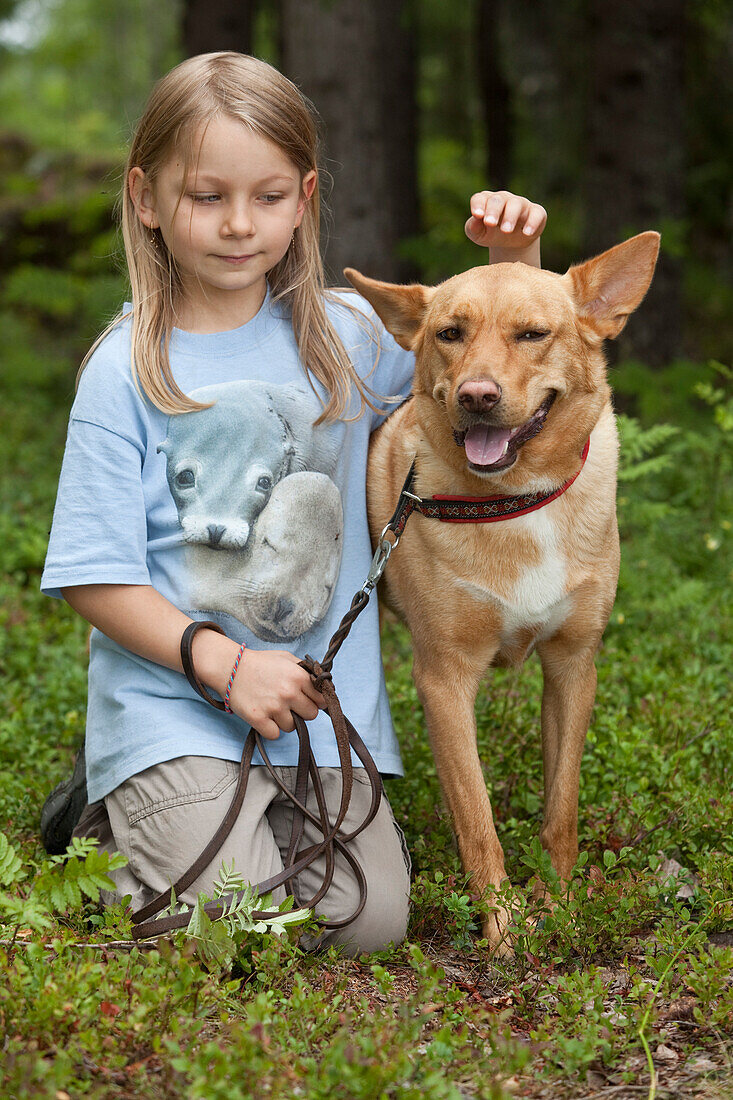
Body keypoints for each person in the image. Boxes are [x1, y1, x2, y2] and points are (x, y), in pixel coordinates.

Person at [40, 52, 547, 954]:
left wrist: (515, 262)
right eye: (206, 197)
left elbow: (487, 378)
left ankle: (206, 834)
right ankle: (106, 820)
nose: (239, 225)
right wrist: (226, 667)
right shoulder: (124, 370)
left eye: (268, 197)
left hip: (315, 713)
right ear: (147, 198)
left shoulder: (345, 336)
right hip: (177, 705)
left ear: (304, 198)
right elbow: (93, 576)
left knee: (369, 927)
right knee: (234, 932)